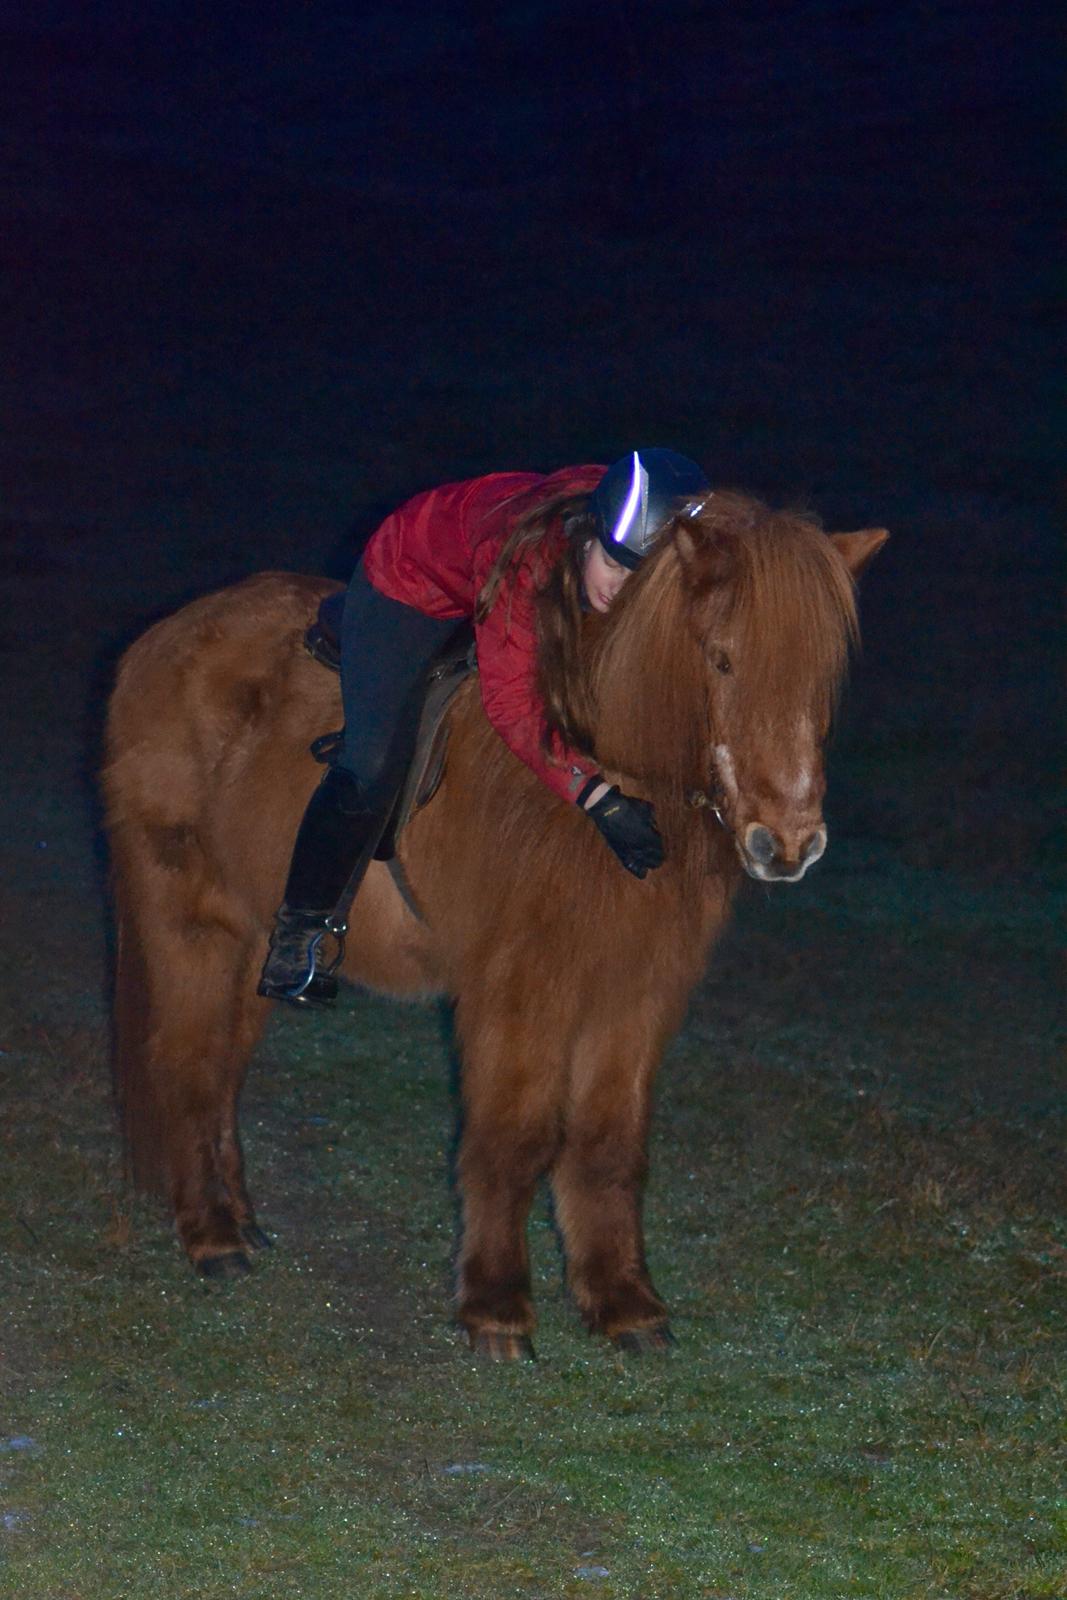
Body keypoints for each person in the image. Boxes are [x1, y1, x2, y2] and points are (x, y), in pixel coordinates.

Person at [258, 447, 710, 1006]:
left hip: (492, 569)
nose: (618, 589)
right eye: (613, 566)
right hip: (413, 583)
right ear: (587, 533)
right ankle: (299, 932)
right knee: (372, 765)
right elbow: (513, 706)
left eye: (636, 579)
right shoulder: (525, 559)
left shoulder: (636, 532)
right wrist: (596, 796)